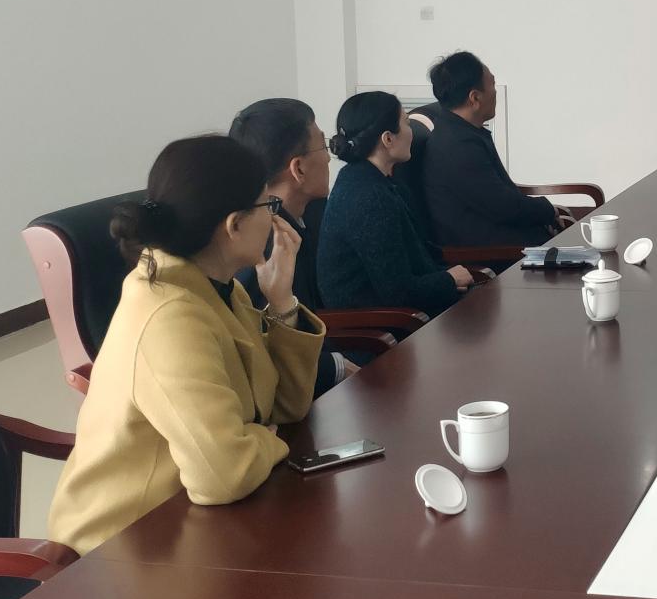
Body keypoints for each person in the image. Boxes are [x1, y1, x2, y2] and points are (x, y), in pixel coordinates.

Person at [47, 135, 325, 555]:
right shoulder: (169, 316)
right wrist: (264, 439)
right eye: (267, 206)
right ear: (234, 225)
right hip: (120, 548)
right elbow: (224, 475)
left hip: (186, 522)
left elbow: (285, 407)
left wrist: (282, 301)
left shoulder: (218, 286)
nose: (274, 217)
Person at [229, 97, 349, 396]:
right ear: (298, 169)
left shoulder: (304, 216)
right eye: (323, 147)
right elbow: (267, 358)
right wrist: (341, 368)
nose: (329, 158)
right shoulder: (269, 245)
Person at [318, 90, 474, 315]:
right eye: (407, 123)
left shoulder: (368, 179)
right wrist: (449, 280)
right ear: (388, 139)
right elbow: (398, 292)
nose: (412, 132)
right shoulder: (370, 197)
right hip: (379, 326)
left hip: (399, 315)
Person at [418, 50, 572, 251]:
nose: (495, 91)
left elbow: (500, 197)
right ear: (475, 98)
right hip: (491, 252)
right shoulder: (459, 146)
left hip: (503, 237)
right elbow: (504, 207)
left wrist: (546, 212)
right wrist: (547, 210)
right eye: (492, 84)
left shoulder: (461, 131)